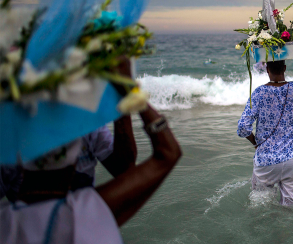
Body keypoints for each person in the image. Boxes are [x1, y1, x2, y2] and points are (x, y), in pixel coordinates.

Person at [0, 60, 182, 243]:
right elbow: (168, 153)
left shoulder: (6, 221)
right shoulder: (91, 213)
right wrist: (128, 92)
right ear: (74, 167)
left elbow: (124, 166)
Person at [237, 44, 293, 206]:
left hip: (266, 161)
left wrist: (256, 143)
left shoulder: (259, 93)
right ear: (284, 67)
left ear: (267, 69)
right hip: (292, 161)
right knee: (291, 209)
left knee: (260, 207)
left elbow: (242, 128)